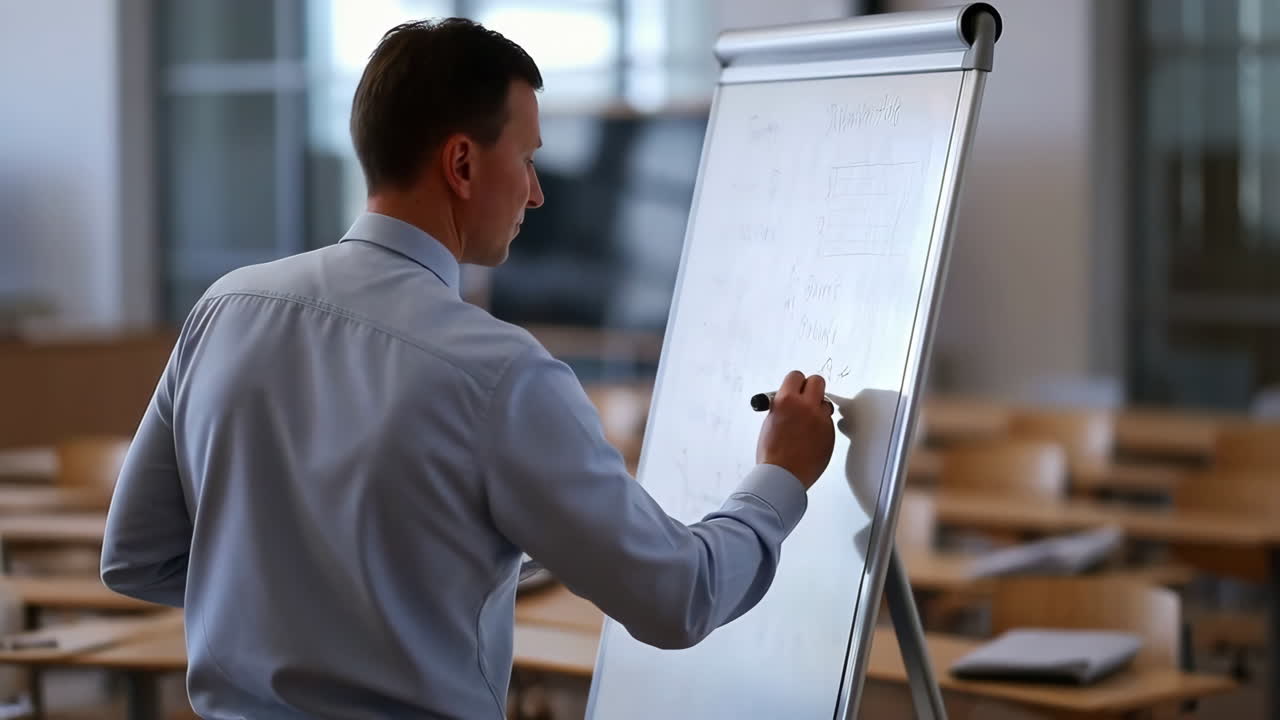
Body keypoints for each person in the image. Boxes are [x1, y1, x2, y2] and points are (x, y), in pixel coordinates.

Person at [101, 17, 836, 719]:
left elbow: (135, 558)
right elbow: (678, 595)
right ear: (461, 163)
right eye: (528, 159)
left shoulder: (224, 310)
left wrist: (303, 610)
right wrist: (780, 477)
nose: (538, 192)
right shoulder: (502, 375)